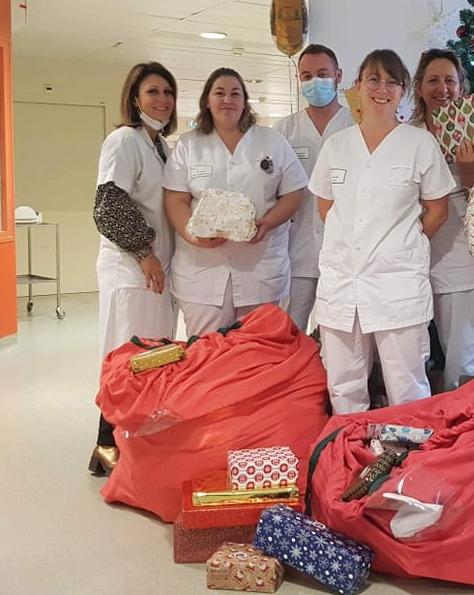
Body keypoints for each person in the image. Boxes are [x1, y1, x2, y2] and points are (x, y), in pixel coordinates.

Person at [309, 49, 456, 413]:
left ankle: (407, 463)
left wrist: (400, 245)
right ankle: (350, 459)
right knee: (343, 385)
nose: (382, 88)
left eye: (392, 81)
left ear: (403, 91)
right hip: (342, 284)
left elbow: (438, 209)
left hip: (397, 285)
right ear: (357, 86)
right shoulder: (337, 146)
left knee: (406, 384)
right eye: (373, 79)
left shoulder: (419, 143)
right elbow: (326, 206)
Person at [163, 67, 307, 337]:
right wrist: (191, 234)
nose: (227, 100)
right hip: (202, 271)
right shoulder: (188, 145)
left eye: (235, 94)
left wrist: (269, 222)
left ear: (244, 102)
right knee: (206, 354)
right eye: (219, 93)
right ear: (207, 100)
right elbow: (175, 198)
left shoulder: (271, 141)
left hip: (259, 268)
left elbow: (294, 192)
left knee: (256, 354)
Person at [90, 62, 178, 475]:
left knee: (150, 356)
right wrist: (144, 253)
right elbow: (109, 203)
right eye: (153, 92)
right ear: (134, 98)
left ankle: (134, 442)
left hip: (154, 272)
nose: (162, 100)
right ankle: (106, 443)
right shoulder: (124, 139)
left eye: (168, 92)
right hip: (131, 270)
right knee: (125, 355)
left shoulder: (160, 146)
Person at [410, 49, 474, 391]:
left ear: (461, 87)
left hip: (459, 254)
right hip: (410, 253)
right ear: (418, 87)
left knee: (461, 354)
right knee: (407, 352)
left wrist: (471, 171)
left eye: (449, 80)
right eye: (433, 80)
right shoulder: (406, 135)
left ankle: (464, 429)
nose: (441, 88)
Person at [274, 44, 355, 332]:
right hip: (296, 250)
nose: (314, 82)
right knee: (288, 332)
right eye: (307, 76)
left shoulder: (356, 125)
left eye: (322, 74)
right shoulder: (284, 131)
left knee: (340, 337)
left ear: (338, 76)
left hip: (345, 255)